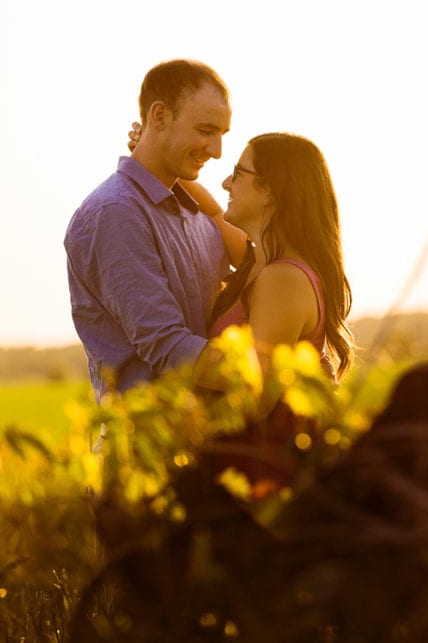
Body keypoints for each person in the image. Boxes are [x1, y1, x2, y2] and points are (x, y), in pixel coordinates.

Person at [65, 60, 234, 424]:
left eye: (222, 133)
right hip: (142, 458)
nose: (218, 150)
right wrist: (273, 376)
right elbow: (169, 347)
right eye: (206, 130)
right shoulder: (114, 213)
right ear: (159, 115)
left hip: (204, 452)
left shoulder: (201, 216)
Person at [200, 132, 356, 495]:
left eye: (237, 173)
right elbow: (209, 208)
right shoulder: (259, 262)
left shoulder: (281, 279)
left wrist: (172, 358)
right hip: (246, 470)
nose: (226, 182)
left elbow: (255, 396)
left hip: (259, 481)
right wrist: (150, 153)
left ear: (269, 190)